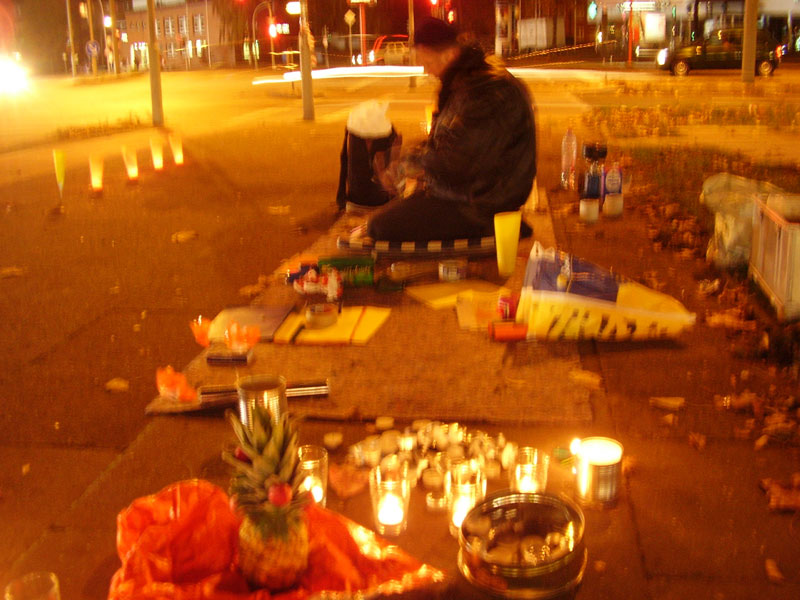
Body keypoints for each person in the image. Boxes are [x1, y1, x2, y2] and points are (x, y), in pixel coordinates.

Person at [366, 18, 536, 242]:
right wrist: (405, 163)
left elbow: (454, 160)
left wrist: (407, 165)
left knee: (380, 228)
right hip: (476, 194)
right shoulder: (468, 79)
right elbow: (449, 143)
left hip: (481, 205)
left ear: (447, 55)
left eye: (426, 62)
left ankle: (490, 229)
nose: (427, 71)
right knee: (397, 211)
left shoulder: (483, 92)